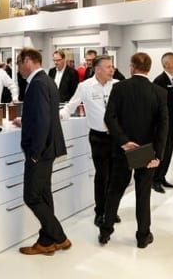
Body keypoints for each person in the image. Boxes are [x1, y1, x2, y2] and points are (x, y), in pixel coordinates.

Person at [99, 52, 168, 249]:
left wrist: (124, 141)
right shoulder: (159, 92)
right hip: (146, 151)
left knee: (115, 190)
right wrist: (158, 155)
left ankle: (105, 232)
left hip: (123, 150)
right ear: (149, 68)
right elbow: (163, 126)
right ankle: (143, 236)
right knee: (143, 194)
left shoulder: (119, 88)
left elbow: (109, 117)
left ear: (132, 67)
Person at [13, 48, 71, 256]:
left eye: (19, 63)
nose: (18, 68)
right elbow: (42, 115)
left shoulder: (37, 83)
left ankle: (59, 237)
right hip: (49, 148)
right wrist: (26, 121)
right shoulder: (46, 80)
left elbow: (43, 121)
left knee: (32, 196)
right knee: (44, 195)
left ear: (28, 61)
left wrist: (35, 154)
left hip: (41, 151)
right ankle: (47, 241)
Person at [59, 55, 120, 227]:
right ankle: (100, 212)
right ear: (98, 69)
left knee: (114, 176)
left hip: (117, 138)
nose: (112, 69)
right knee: (101, 176)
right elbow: (70, 107)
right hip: (98, 137)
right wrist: (58, 116)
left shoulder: (117, 85)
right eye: (108, 67)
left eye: (112, 66)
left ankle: (111, 210)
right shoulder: (85, 86)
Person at [152, 52, 173, 192]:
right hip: (164, 124)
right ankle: (155, 180)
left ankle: (162, 176)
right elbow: (157, 102)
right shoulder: (159, 81)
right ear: (166, 64)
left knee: (169, 152)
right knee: (162, 152)